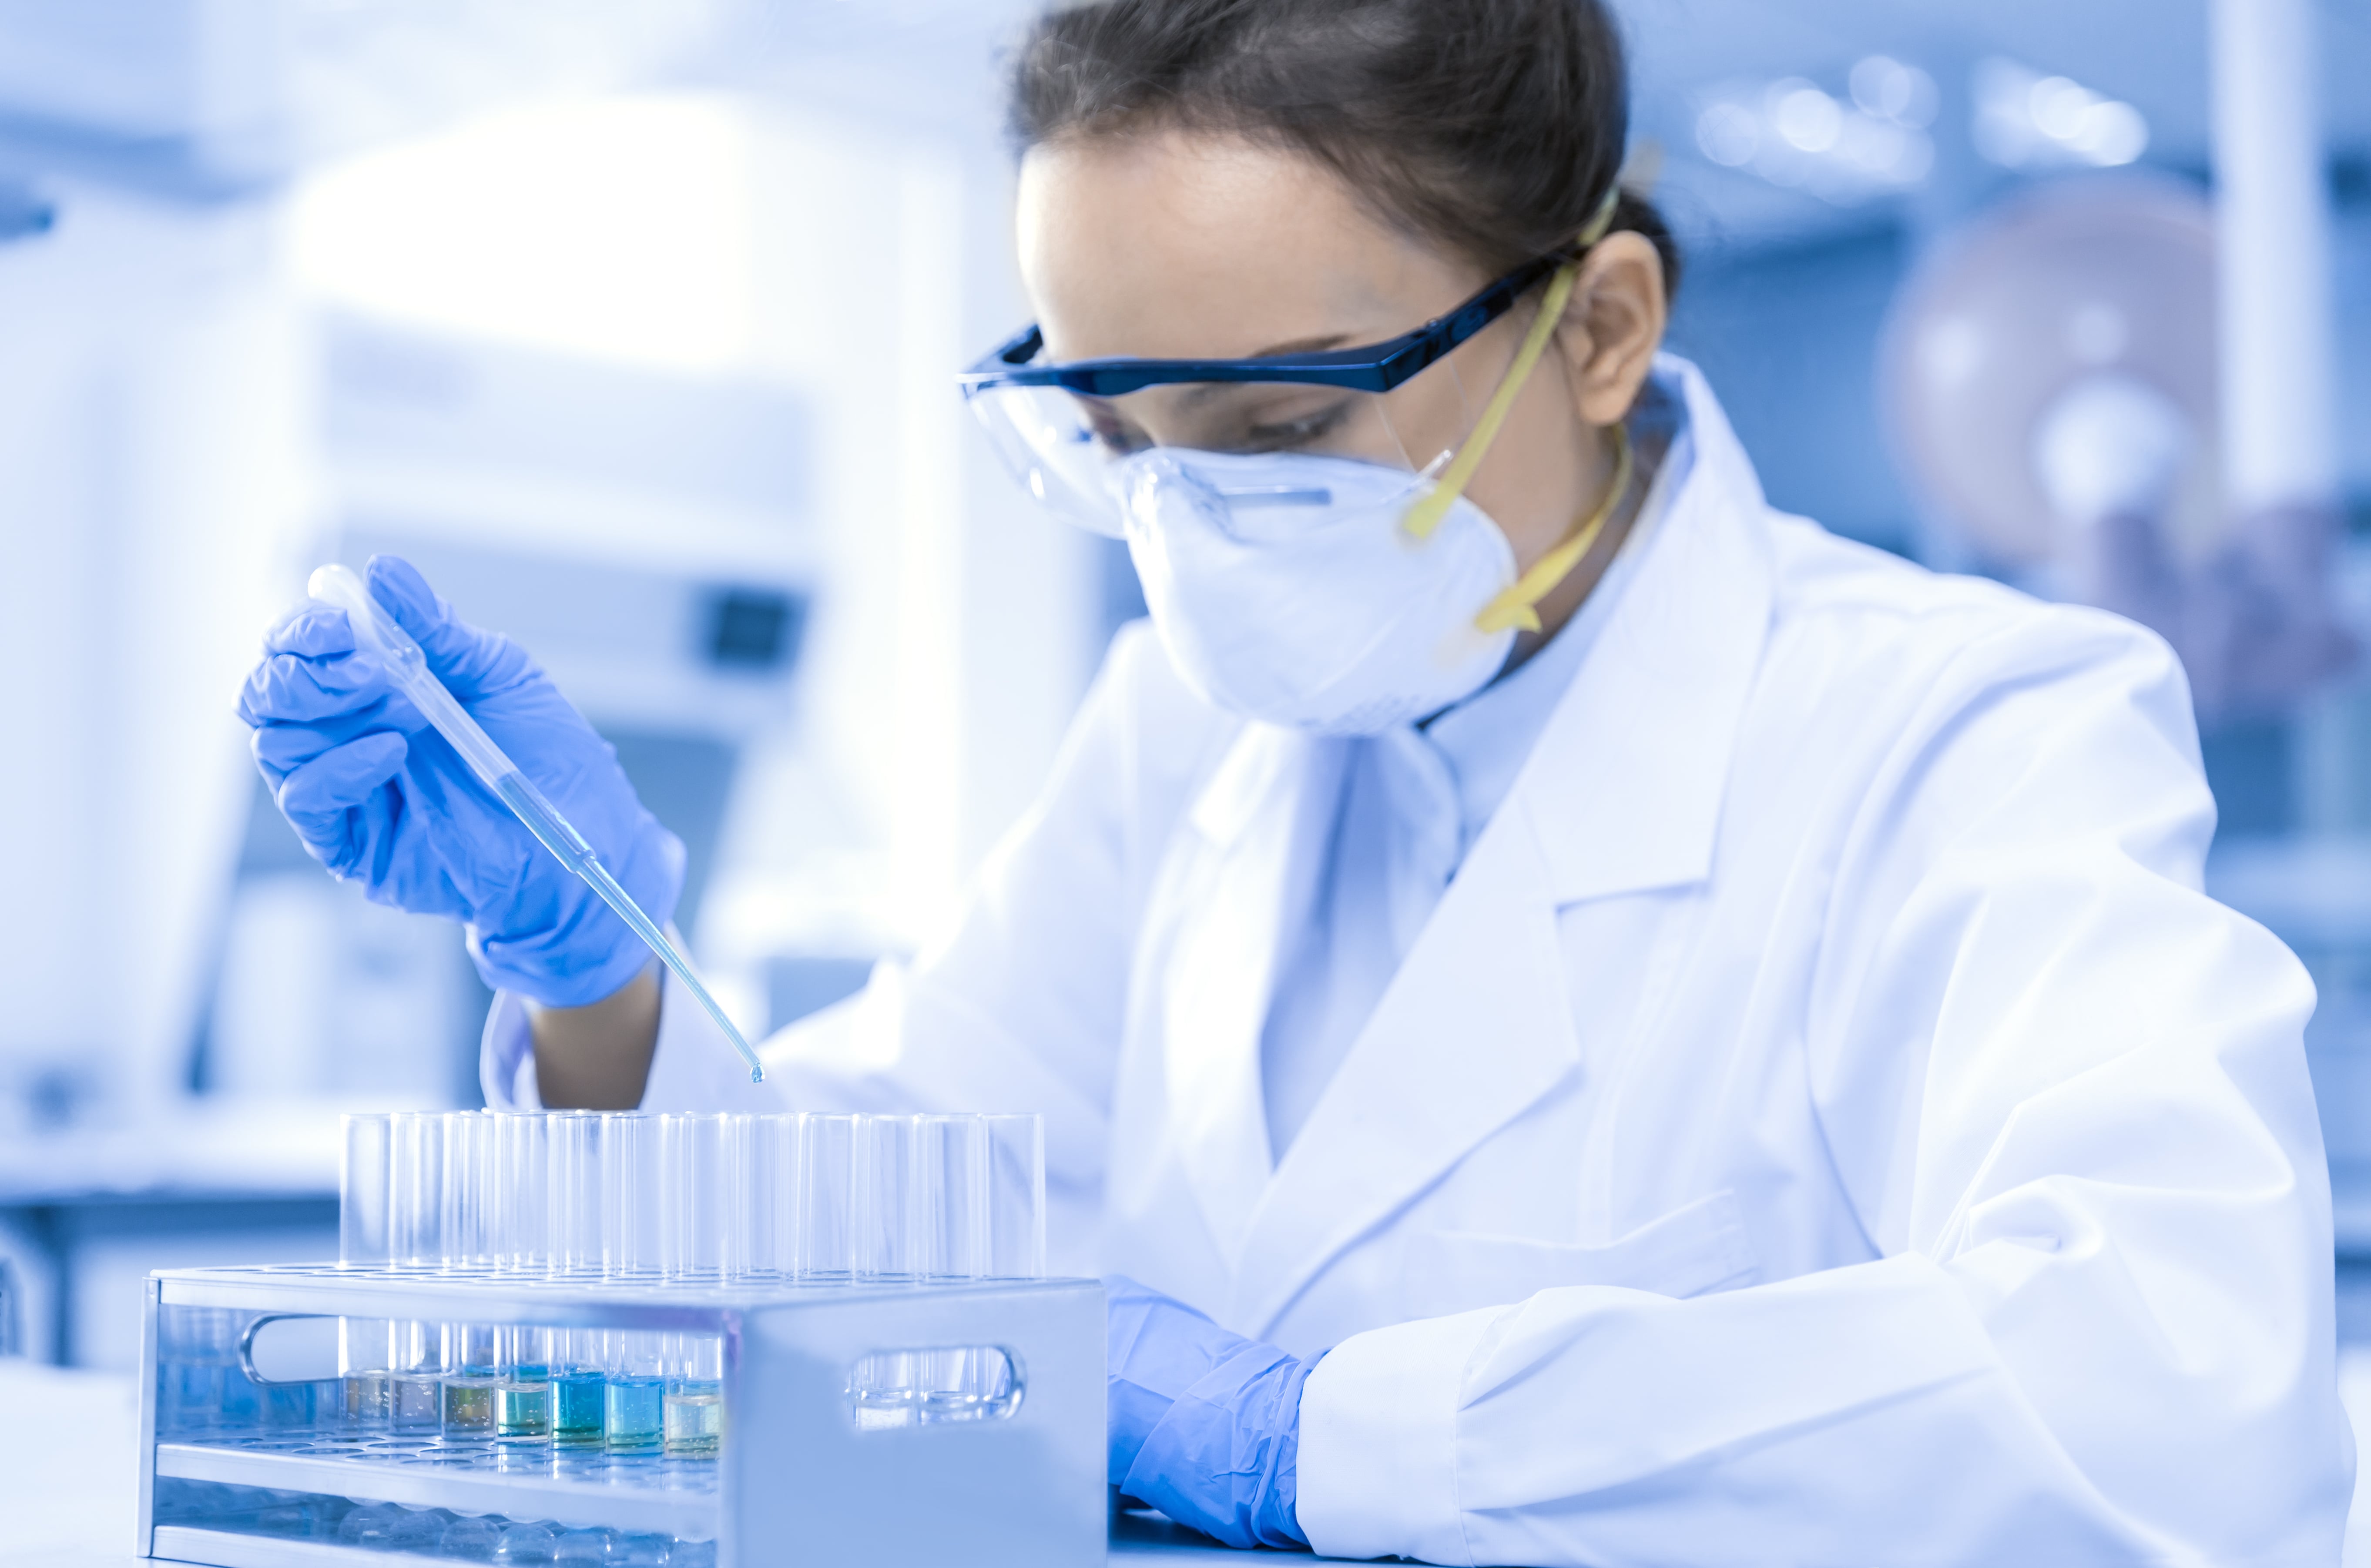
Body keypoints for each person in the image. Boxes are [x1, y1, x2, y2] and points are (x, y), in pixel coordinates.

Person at [238, 0, 2354, 1560]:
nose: (1189, 529)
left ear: (1598, 327)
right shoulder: (1190, 733)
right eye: (1115, 437)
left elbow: (2160, 1399)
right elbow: (871, 1218)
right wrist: (599, 984)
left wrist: (1321, 1435)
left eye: (1271, 427)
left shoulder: (1965, 729)